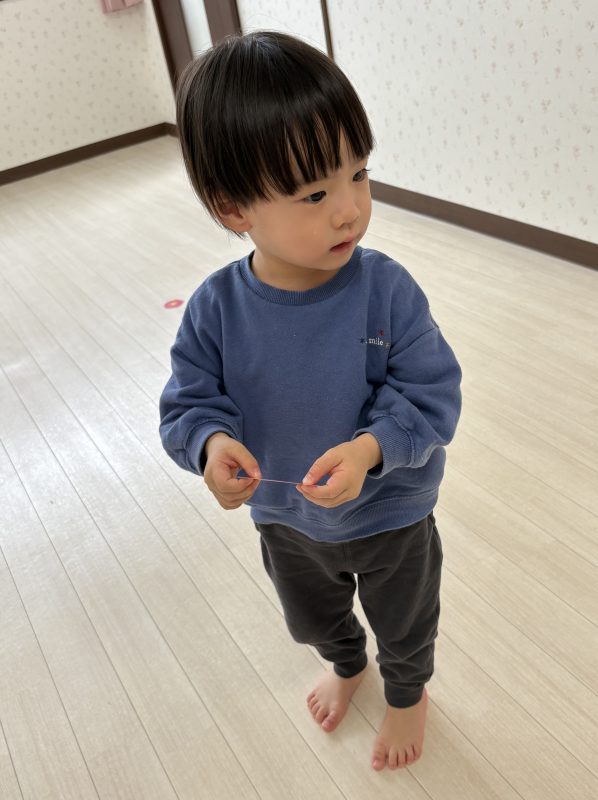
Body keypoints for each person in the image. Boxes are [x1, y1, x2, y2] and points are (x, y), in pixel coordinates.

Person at [159, 30, 462, 772]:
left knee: (406, 621)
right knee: (313, 618)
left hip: (391, 514)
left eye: (359, 173)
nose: (350, 210)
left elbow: (432, 393)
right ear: (234, 207)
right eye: (316, 194)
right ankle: (347, 663)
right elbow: (188, 404)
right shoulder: (216, 311)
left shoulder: (386, 289)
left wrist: (369, 450)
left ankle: (406, 692)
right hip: (286, 520)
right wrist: (210, 445)